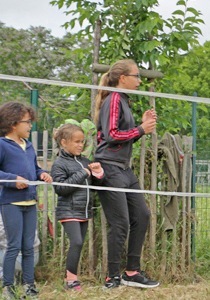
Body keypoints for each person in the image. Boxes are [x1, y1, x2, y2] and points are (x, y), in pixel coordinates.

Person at [93, 59, 159, 289]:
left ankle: (131, 272)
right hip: (109, 167)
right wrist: (141, 129)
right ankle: (112, 277)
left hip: (124, 168)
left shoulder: (123, 100)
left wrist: (143, 126)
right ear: (123, 78)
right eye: (136, 76)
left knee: (142, 215)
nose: (140, 80)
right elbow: (111, 135)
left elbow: (123, 135)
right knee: (120, 224)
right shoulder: (113, 98)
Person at [0, 101, 53, 299]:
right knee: (13, 247)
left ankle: (29, 287)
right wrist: (12, 180)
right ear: (13, 123)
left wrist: (43, 173)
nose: (31, 126)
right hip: (10, 203)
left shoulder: (28, 146)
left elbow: (34, 169)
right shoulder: (1, 145)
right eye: (28, 122)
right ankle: (8, 288)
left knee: (28, 247)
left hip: (30, 203)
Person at [51, 123, 105, 291]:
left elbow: (96, 185)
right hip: (68, 210)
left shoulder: (86, 162)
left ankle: (72, 278)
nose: (81, 145)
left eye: (82, 141)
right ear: (64, 142)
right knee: (76, 242)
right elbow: (60, 188)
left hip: (84, 210)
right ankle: (71, 281)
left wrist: (98, 173)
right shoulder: (59, 164)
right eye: (76, 141)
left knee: (79, 244)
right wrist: (84, 173)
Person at [0, 183, 40, 288]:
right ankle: (19, 277)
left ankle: (0, 272)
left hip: (16, 258)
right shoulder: (26, 198)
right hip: (34, 256)